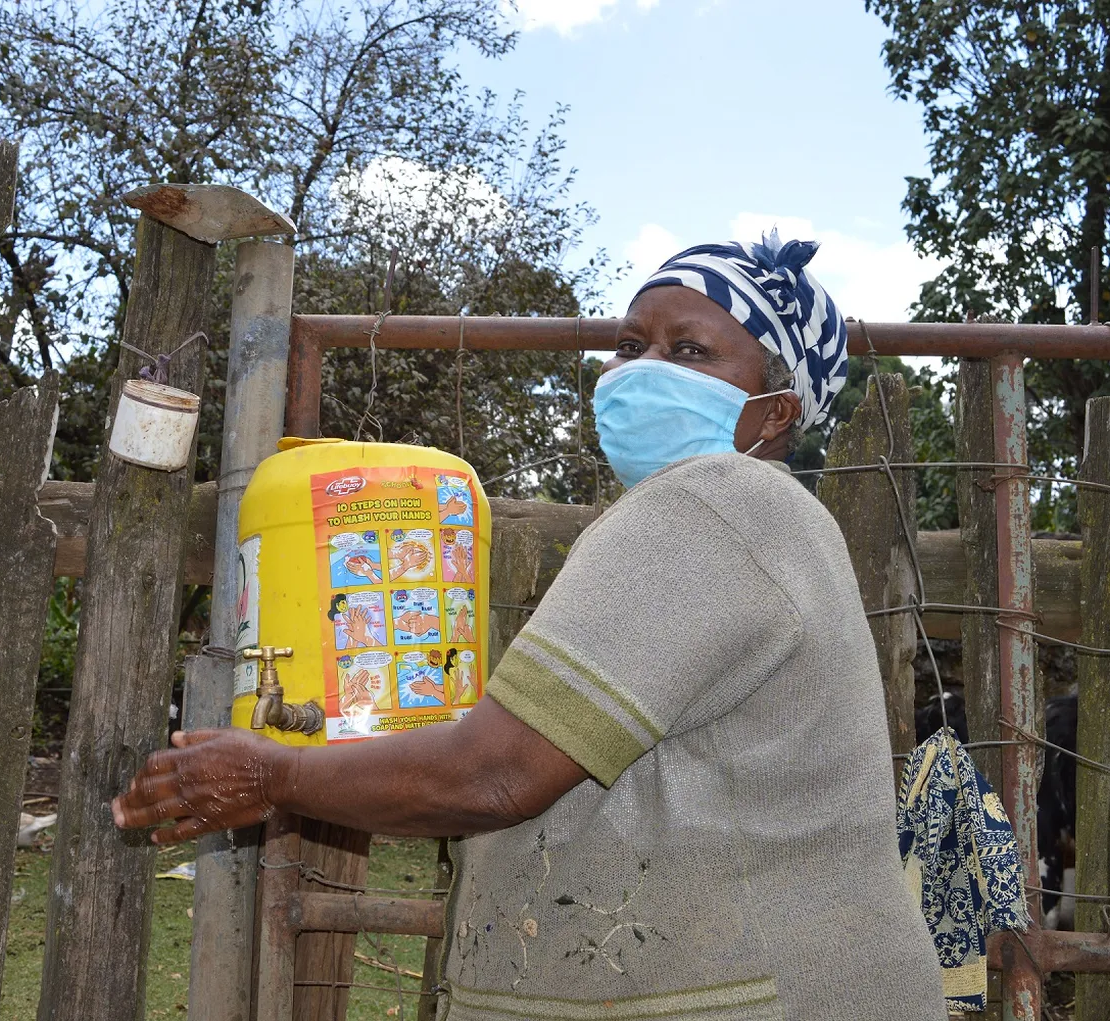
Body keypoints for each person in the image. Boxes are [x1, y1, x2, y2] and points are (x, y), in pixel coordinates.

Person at [112, 233, 945, 1020]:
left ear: (774, 414)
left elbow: (498, 774)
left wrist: (273, 778)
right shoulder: (766, 521)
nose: (642, 368)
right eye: (630, 345)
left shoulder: (715, 501)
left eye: (689, 350)